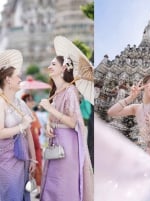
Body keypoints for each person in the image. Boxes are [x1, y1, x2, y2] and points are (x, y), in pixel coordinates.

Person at [39, 55, 93, 201]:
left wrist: (49, 108)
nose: (50, 67)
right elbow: (52, 118)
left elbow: (72, 122)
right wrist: (49, 126)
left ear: (63, 68)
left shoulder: (70, 90)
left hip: (67, 143)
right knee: (52, 180)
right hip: (55, 140)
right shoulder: (56, 91)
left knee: (62, 183)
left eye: (53, 64)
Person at [0, 50, 36, 201]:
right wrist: (21, 126)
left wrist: (33, 158)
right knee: (10, 194)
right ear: (8, 79)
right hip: (6, 160)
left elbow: (28, 132)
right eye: (17, 76)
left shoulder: (20, 102)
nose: (20, 79)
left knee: (22, 194)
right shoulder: (0, 102)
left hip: (23, 158)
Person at [22, 93, 43, 198]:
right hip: (26, 145)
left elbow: (39, 130)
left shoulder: (34, 114)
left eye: (31, 100)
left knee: (38, 165)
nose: (31, 102)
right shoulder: (22, 114)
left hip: (36, 144)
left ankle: (39, 189)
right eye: (28, 100)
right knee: (27, 168)